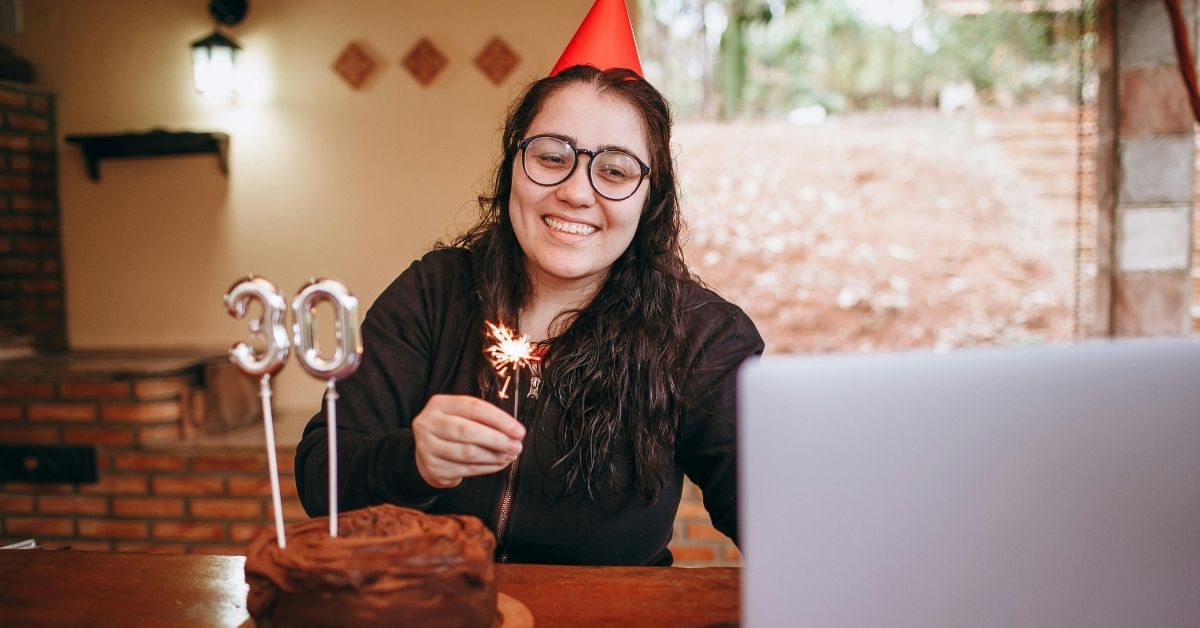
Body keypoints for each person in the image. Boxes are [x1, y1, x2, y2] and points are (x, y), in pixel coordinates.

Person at [296, 4, 764, 567]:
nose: (575, 191)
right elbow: (320, 477)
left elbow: (773, 517)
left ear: (651, 197)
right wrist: (412, 458)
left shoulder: (700, 336)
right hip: (435, 608)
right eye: (551, 157)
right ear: (512, 167)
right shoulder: (435, 294)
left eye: (614, 170)